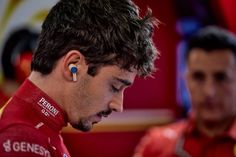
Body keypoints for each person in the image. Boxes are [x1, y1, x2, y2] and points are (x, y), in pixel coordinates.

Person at [0, 0, 159, 156]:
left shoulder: (35, 131)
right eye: (115, 87)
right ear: (73, 66)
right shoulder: (21, 141)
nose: (118, 105)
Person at [133, 26, 236, 157]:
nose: (209, 91)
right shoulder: (157, 145)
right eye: (198, 77)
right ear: (186, 80)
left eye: (221, 78)